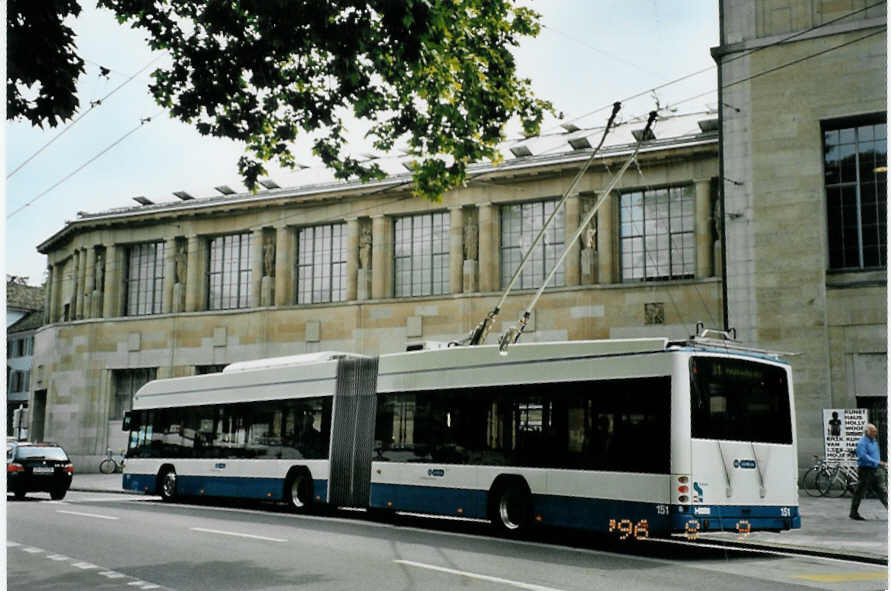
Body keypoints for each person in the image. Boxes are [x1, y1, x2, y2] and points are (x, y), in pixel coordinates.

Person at [849, 423, 888, 520]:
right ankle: (853, 513)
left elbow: (875, 454)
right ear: (867, 432)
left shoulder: (874, 441)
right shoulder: (862, 443)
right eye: (873, 431)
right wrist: (877, 462)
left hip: (875, 470)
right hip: (865, 470)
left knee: (882, 491)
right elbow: (863, 456)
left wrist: (879, 464)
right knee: (860, 492)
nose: (875, 433)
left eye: (875, 431)